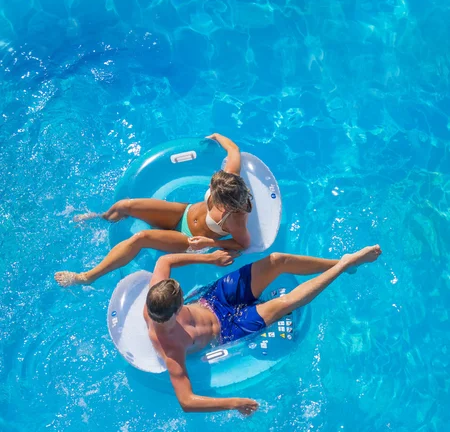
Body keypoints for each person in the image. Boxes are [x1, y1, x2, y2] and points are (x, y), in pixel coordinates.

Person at [144, 244, 382, 416]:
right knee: (285, 304)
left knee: (277, 260)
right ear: (175, 312)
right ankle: (343, 266)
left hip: (215, 299)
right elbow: (187, 401)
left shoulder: (155, 298)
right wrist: (233, 403)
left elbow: (163, 262)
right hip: (229, 329)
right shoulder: (172, 349)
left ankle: (344, 263)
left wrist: (210, 259)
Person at [55, 133, 252, 287]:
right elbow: (233, 149)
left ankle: (87, 277)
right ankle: (103, 218)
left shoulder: (236, 218)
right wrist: (215, 136)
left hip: (189, 239)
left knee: (140, 238)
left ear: (226, 204)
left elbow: (243, 244)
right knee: (125, 205)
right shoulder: (230, 177)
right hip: (184, 212)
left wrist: (211, 242)